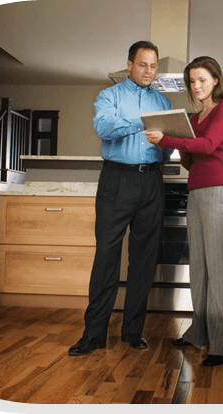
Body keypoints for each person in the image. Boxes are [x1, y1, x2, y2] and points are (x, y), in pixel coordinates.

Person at [69, 41, 173, 356]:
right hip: (117, 179)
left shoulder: (163, 101)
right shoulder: (109, 96)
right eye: (143, 64)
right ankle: (94, 334)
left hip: (152, 180)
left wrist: (162, 150)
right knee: (107, 257)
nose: (148, 71)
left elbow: (167, 145)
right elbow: (104, 127)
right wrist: (142, 121)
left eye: (153, 66)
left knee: (144, 259)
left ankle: (132, 331)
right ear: (129, 64)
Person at [144, 56, 223, 367]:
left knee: (220, 269)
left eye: (201, 79)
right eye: (191, 82)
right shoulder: (195, 119)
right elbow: (190, 161)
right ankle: (199, 333)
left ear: (215, 79)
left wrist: (169, 139)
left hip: (219, 192)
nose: (196, 86)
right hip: (196, 193)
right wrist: (176, 144)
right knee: (199, 267)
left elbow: (210, 146)